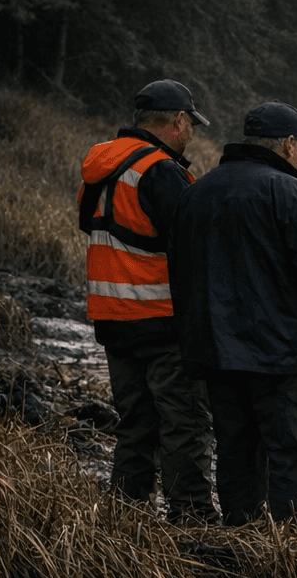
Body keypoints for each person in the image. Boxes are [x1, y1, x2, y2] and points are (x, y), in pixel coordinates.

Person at [169, 102, 297, 526]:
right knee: (294, 454)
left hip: (216, 353)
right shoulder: (289, 191)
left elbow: (180, 274)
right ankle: (296, 551)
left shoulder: (197, 191)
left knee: (237, 451)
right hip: (283, 355)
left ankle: (243, 537)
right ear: (290, 144)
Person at [78, 79, 217, 523]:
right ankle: (191, 515)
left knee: (135, 425)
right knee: (184, 423)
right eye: (190, 123)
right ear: (177, 120)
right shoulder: (160, 170)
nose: (191, 132)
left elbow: (98, 230)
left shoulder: (99, 168)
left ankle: (125, 514)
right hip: (159, 319)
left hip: (111, 318)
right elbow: (193, 244)